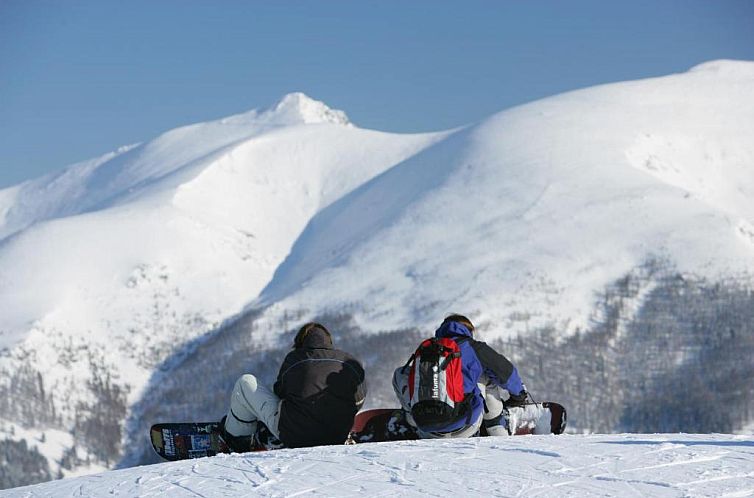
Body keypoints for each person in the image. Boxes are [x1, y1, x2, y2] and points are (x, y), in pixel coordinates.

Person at [221, 322, 367, 451]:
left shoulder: (295, 360)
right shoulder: (349, 363)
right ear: (329, 342)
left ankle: (237, 439)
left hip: (295, 436)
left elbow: (280, 392)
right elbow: (359, 401)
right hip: (337, 436)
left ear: (299, 343)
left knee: (245, 383)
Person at [392, 314, 528, 438]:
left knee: (401, 373)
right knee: (486, 376)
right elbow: (507, 373)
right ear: (468, 330)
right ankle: (496, 427)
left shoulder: (427, 350)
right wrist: (519, 396)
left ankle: (410, 418)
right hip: (465, 426)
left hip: (426, 428)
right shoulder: (474, 348)